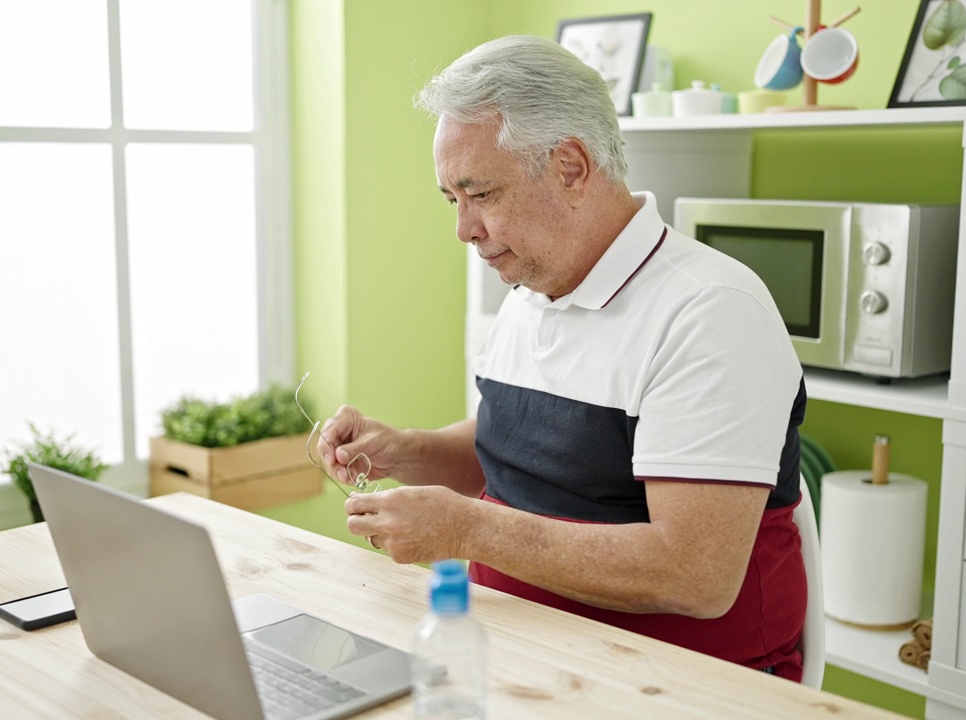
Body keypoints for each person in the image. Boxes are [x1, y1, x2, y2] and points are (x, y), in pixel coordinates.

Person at [317, 35, 809, 682]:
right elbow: (525, 457)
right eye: (451, 199)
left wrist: (467, 532)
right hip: (519, 653)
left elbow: (695, 575)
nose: (463, 230)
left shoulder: (711, 311)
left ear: (572, 166)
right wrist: (404, 450)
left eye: (481, 195)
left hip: (678, 683)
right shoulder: (534, 287)